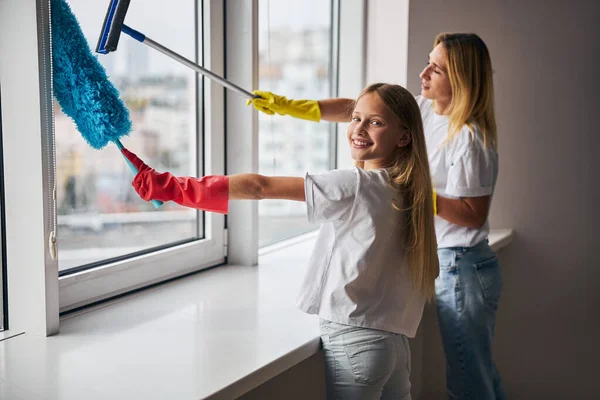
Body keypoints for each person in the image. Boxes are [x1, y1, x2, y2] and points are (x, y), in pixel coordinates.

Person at [122, 83, 439, 400]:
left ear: (404, 136)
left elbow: (260, 187)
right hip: (394, 346)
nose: (358, 128)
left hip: (356, 342)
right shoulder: (411, 189)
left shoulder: (356, 184)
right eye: (356, 118)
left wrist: (172, 187)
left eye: (375, 122)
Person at [247, 33, 504, 400]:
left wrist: (414, 191)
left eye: (438, 68)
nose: (424, 72)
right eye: (428, 60)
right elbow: (362, 108)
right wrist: (296, 107)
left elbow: (473, 215)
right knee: (475, 376)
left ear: (461, 79)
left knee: (469, 382)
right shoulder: (426, 110)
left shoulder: (470, 139)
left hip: (462, 265)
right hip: (445, 263)